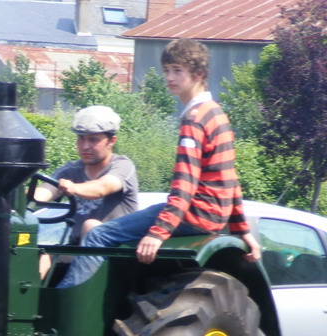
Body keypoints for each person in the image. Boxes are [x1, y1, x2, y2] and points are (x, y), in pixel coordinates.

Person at [56, 38, 261, 288]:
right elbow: (229, 178)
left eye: (177, 70)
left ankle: (65, 306)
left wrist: (158, 232)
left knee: (98, 235)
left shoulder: (194, 120)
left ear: (198, 74)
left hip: (193, 214)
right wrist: (241, 229)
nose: (170, 78)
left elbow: (185, 184)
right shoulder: (217, 113)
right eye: (166, 70)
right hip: (212, 215)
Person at [35, 105, 138, 277]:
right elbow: (43, 193)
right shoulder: (72, 170)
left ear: (111, 141)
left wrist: (74, 188)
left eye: (93, 140)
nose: (85, 146)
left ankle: (78, 296)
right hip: (76, 246)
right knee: (43, 253)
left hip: (116, 249)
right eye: (81, 139)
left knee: (92, 227)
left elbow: (102, 187)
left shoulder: (122, 166)